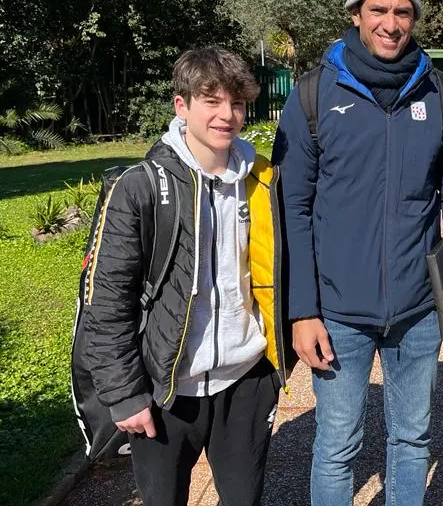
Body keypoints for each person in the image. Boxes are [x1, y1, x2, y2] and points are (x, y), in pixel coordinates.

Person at [274, 0, 443, 506]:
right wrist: (302, 310)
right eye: (378, 9)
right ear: (355, 13)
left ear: (414, 17)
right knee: (337, 444)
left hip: (418, 309)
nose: (390, 23)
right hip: (338, 312)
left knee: (412, 438)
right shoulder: (314, 95)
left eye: (402, 11)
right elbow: (292, 211)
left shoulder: (438, 94)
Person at [77, 47, 293, 506]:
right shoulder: (139, 186)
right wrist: (125, 394)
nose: (226, 115)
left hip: (246, 380)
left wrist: (275, 368)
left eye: (236, 103)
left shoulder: (263, 180)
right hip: (165, 388)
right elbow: (106, 300)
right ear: (182, 106)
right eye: (210, 101)